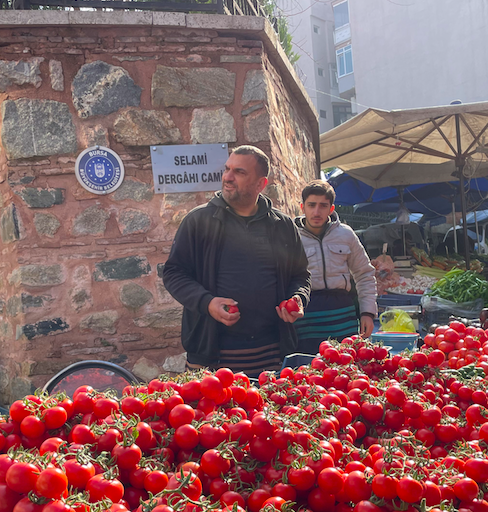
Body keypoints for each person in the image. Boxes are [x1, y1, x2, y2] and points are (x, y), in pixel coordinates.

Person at [162, 145, 311, 374]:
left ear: (261, 184)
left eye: (239, 172)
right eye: (227, 169)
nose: (228, 177)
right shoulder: (198, 221)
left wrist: (298, 298)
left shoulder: (282, 226)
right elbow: (174, 273)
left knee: (271, 411)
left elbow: (300, 275)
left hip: (271, 356)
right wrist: (207, 302)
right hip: (210, 357)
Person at [293, 181, 378, 354]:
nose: (317, 212)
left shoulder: (346, 234)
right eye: (311, 205)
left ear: (331, 209)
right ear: (302, 207)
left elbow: (364, 274)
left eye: (323, 206)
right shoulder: (290, 236)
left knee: (345, 371)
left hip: (342, 317)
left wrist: (367, 312)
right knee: (307, 372)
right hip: (306, 320)